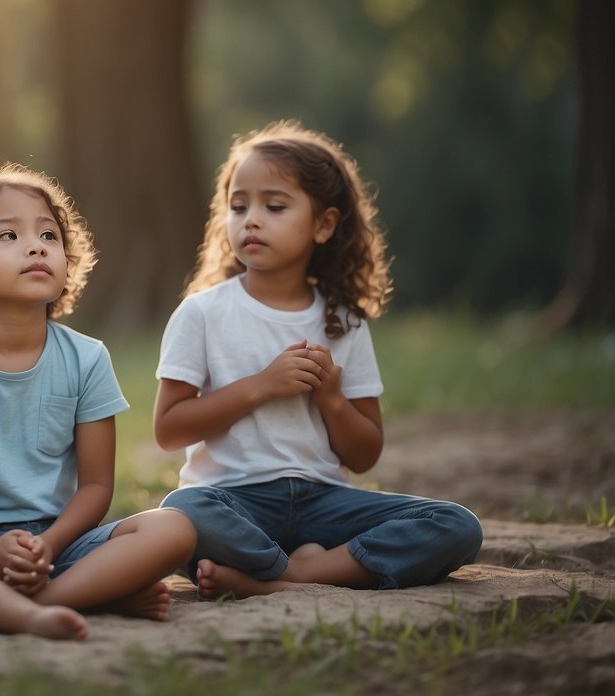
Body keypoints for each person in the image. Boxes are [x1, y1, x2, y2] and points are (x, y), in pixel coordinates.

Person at [154, 120, 482, 600]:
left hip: (325, 504)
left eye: (275, 205)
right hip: (233, 500)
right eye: (238, 205)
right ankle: (312, 568)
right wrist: (260, 386)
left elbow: (364, 454)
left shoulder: (343, 322)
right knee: (182, 511)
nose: (251, 219)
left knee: (455, 525)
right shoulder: (202, 312)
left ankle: (281, 578)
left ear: (323, 225)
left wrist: (330, 398)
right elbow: (169, 430)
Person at [0, 162, 196, 638]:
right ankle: (87, 596)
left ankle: (34, 601)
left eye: (49, 236)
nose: (35, 245)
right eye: (7, 236)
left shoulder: (87, 358)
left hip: (60, 544)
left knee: (174, 528)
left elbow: (95, 486)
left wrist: (49, 546)